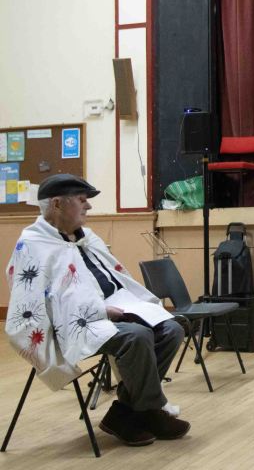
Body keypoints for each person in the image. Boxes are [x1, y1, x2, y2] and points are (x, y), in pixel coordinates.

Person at [5, 174, 190, 447]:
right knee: (136, 337)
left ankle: (126, 413)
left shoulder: (87, 237)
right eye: (81, 200)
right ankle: (149, 412)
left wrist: (130, 306)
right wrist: (101, 310)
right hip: (75, 324)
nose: (88, 206)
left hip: (118, 309)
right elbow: (36, 306)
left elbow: (115, 277)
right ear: (57, 204)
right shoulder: (33, 245)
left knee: (172, 329)